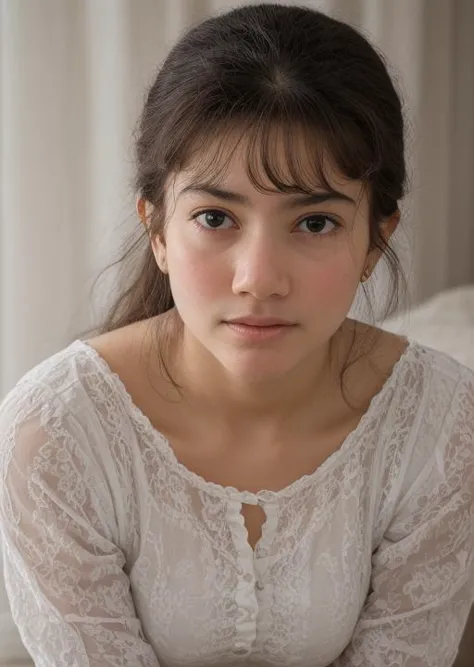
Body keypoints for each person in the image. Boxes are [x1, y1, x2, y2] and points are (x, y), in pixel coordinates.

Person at [0, 3, 473, 666]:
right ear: (158, 228)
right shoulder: (53, 436)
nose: (258, 278)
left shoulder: (443, 424)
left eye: (314, 224)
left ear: (375, 238)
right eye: (217, 217)